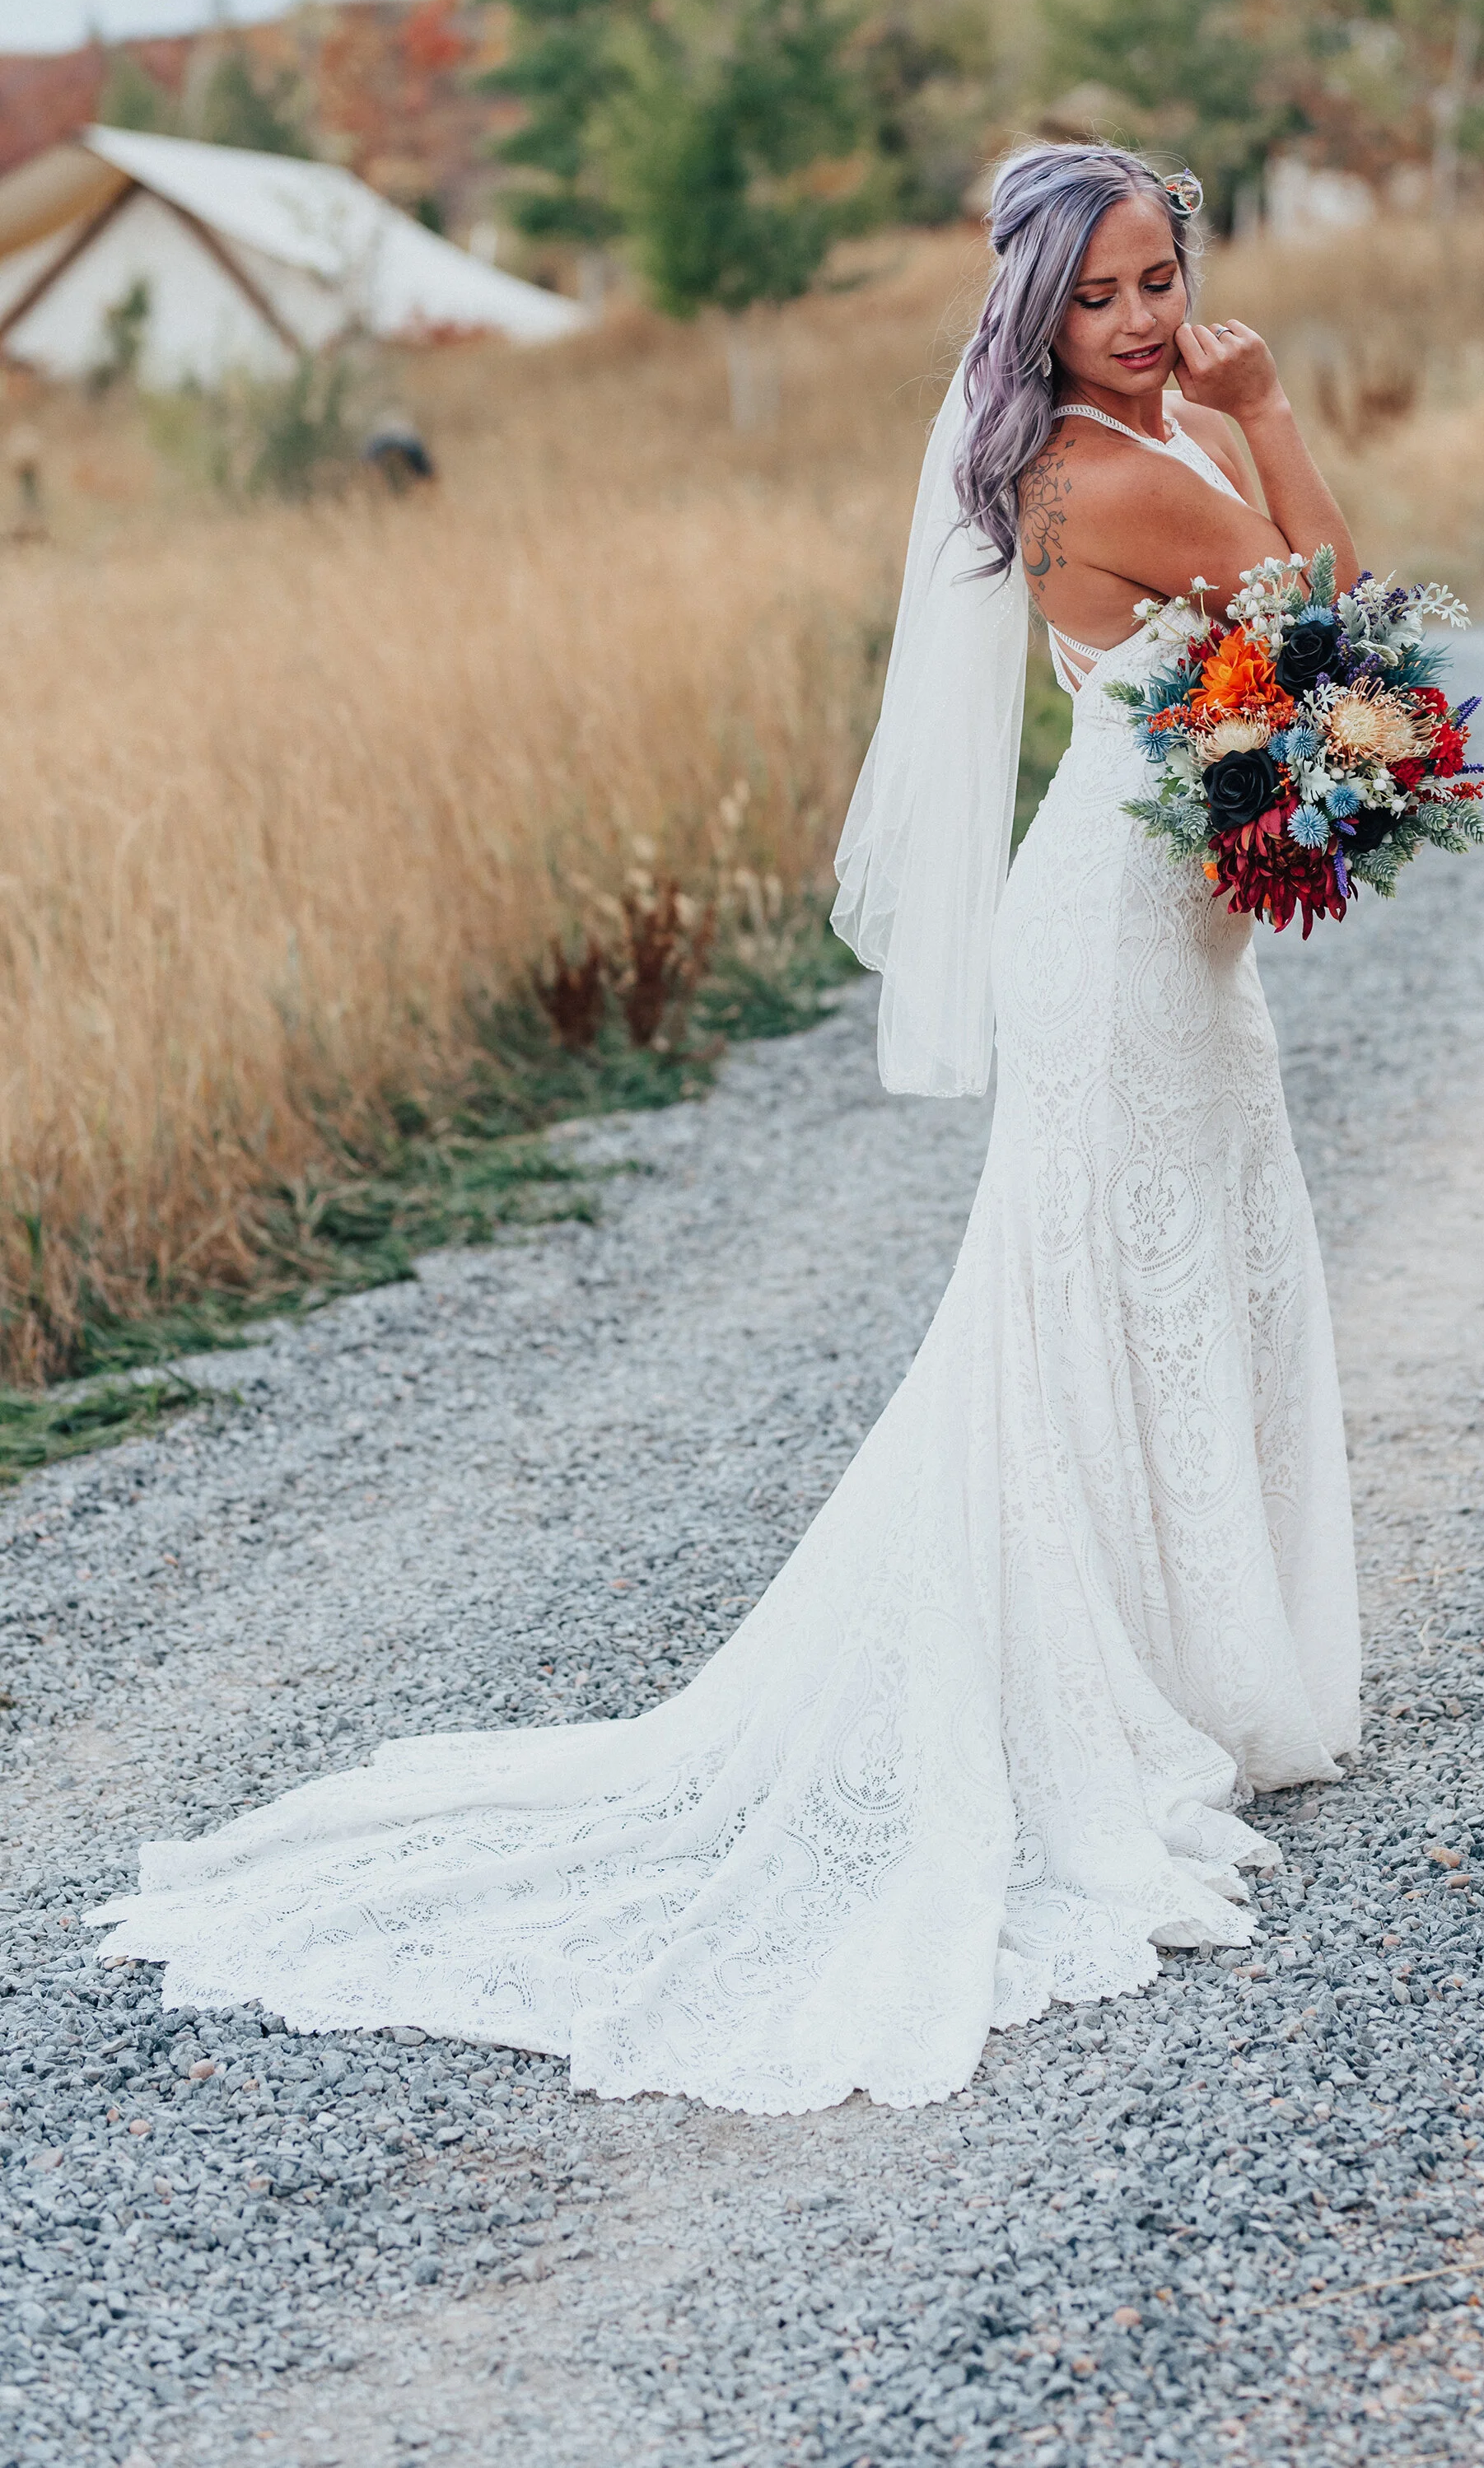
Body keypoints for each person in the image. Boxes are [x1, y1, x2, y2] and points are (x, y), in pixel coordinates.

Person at [92, 142, 1361, 2116]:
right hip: (1115, 943)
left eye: (1154, 282)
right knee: (1114, 1280)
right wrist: (1271, 412)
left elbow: (1264, 663)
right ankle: (1112, 1683)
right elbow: (1332, 630)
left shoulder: (1105, 441)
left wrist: (1225, 422)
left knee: (1169, 1268)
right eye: (1097, 295)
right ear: (1037, 313)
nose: (1134, 320)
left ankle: (1187, 1660)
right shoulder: (1126, 466)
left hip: (1151, 930)